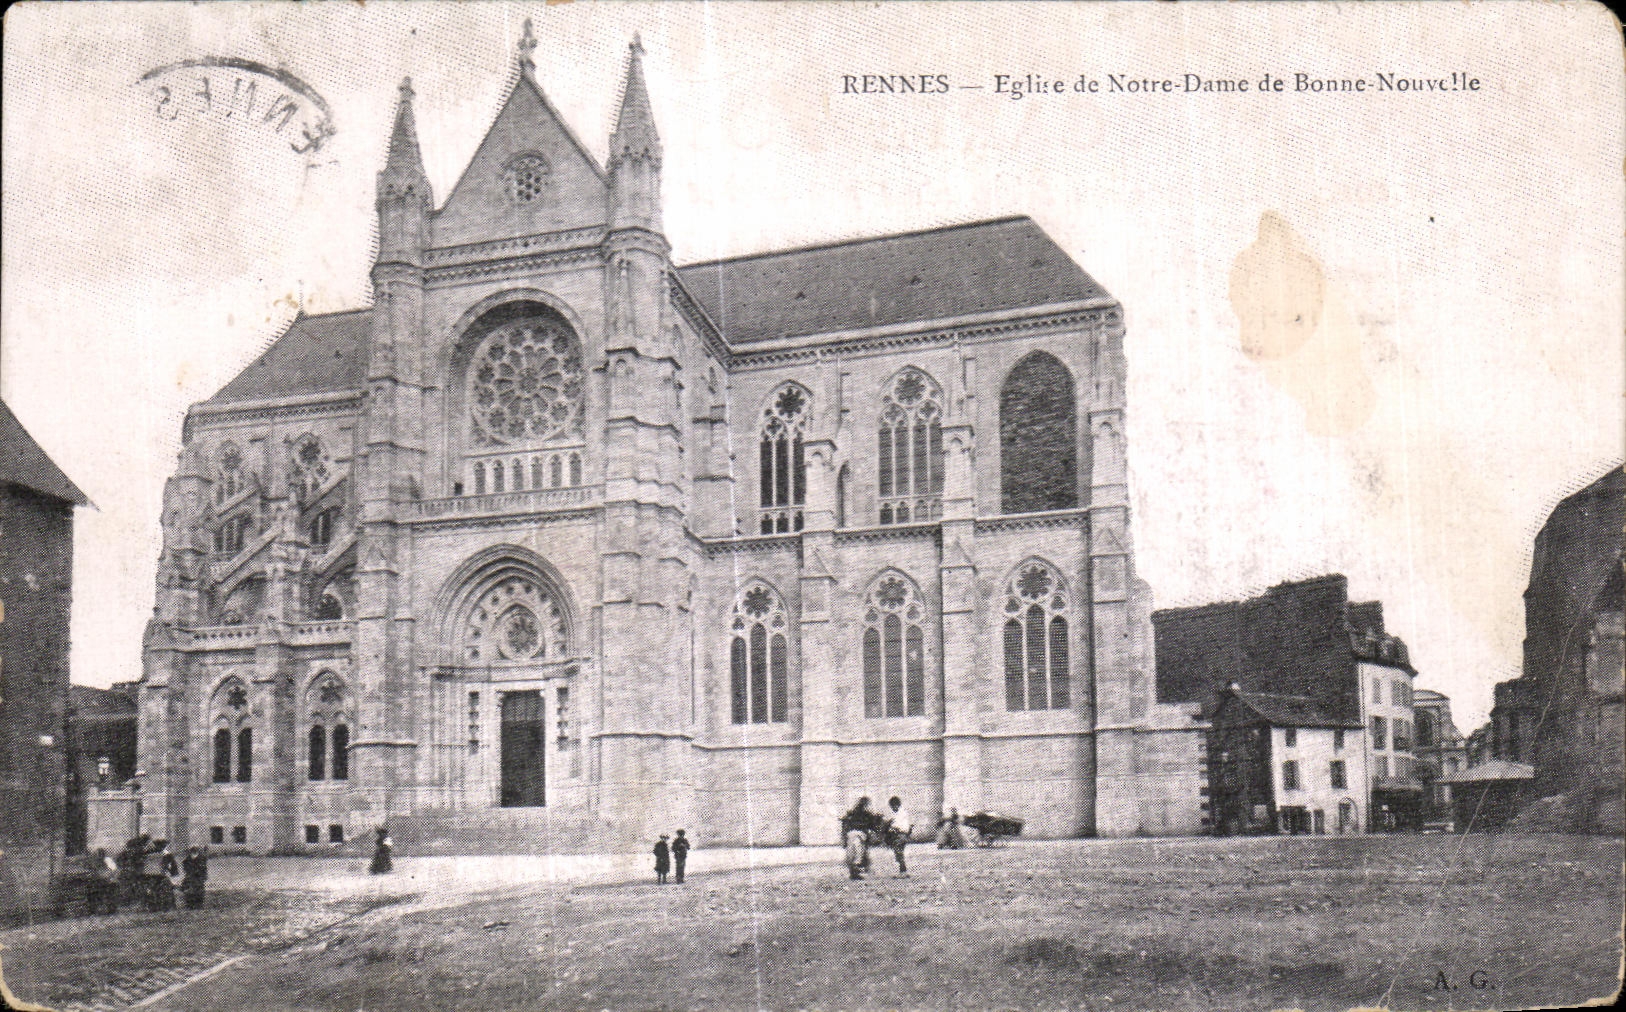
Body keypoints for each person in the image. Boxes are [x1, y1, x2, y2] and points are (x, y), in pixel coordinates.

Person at [840, 797, 878, 880]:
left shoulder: (852, 813)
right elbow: (872, 825)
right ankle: (856, 871)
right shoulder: (866, 814)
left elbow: (845, 823)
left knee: (853, 852)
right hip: (858, 835)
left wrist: (843, 837)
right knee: (858, 852)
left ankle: (856, 870)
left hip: (852, 834)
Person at [884, 796, 913, 876]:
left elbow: (901, 826)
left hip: (901, 835)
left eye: (893, 806)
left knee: (898, 852)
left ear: (897, 805)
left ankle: (903, 870)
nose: (893, 808)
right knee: (899, 852)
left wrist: (891, 827)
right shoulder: (897, 813)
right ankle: (903, 870)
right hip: (899, 835)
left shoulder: (902, 813)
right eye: (892, 807)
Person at [85, 848, 119, 915]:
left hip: (109, 880)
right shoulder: (95, 861)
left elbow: (114, 870)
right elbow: (93, 871)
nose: (99, 856)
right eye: (98, 855)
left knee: (110, 894)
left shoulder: (108, 860)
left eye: (100, 854)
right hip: (100, 881)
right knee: (94, 892)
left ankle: (112, 910)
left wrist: (110, 877)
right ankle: (93, 909)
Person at [181, 845, 209, 909]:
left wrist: (203, 876)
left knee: (199, 891)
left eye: (195, 852)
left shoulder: (201, 858)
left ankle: (198, 905)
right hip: (191, 877)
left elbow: (203, 868)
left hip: (199, 877)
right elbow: (185, 868)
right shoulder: (187, 860)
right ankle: (190, 904)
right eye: (192, 852)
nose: (193, 853)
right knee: (189, 890)